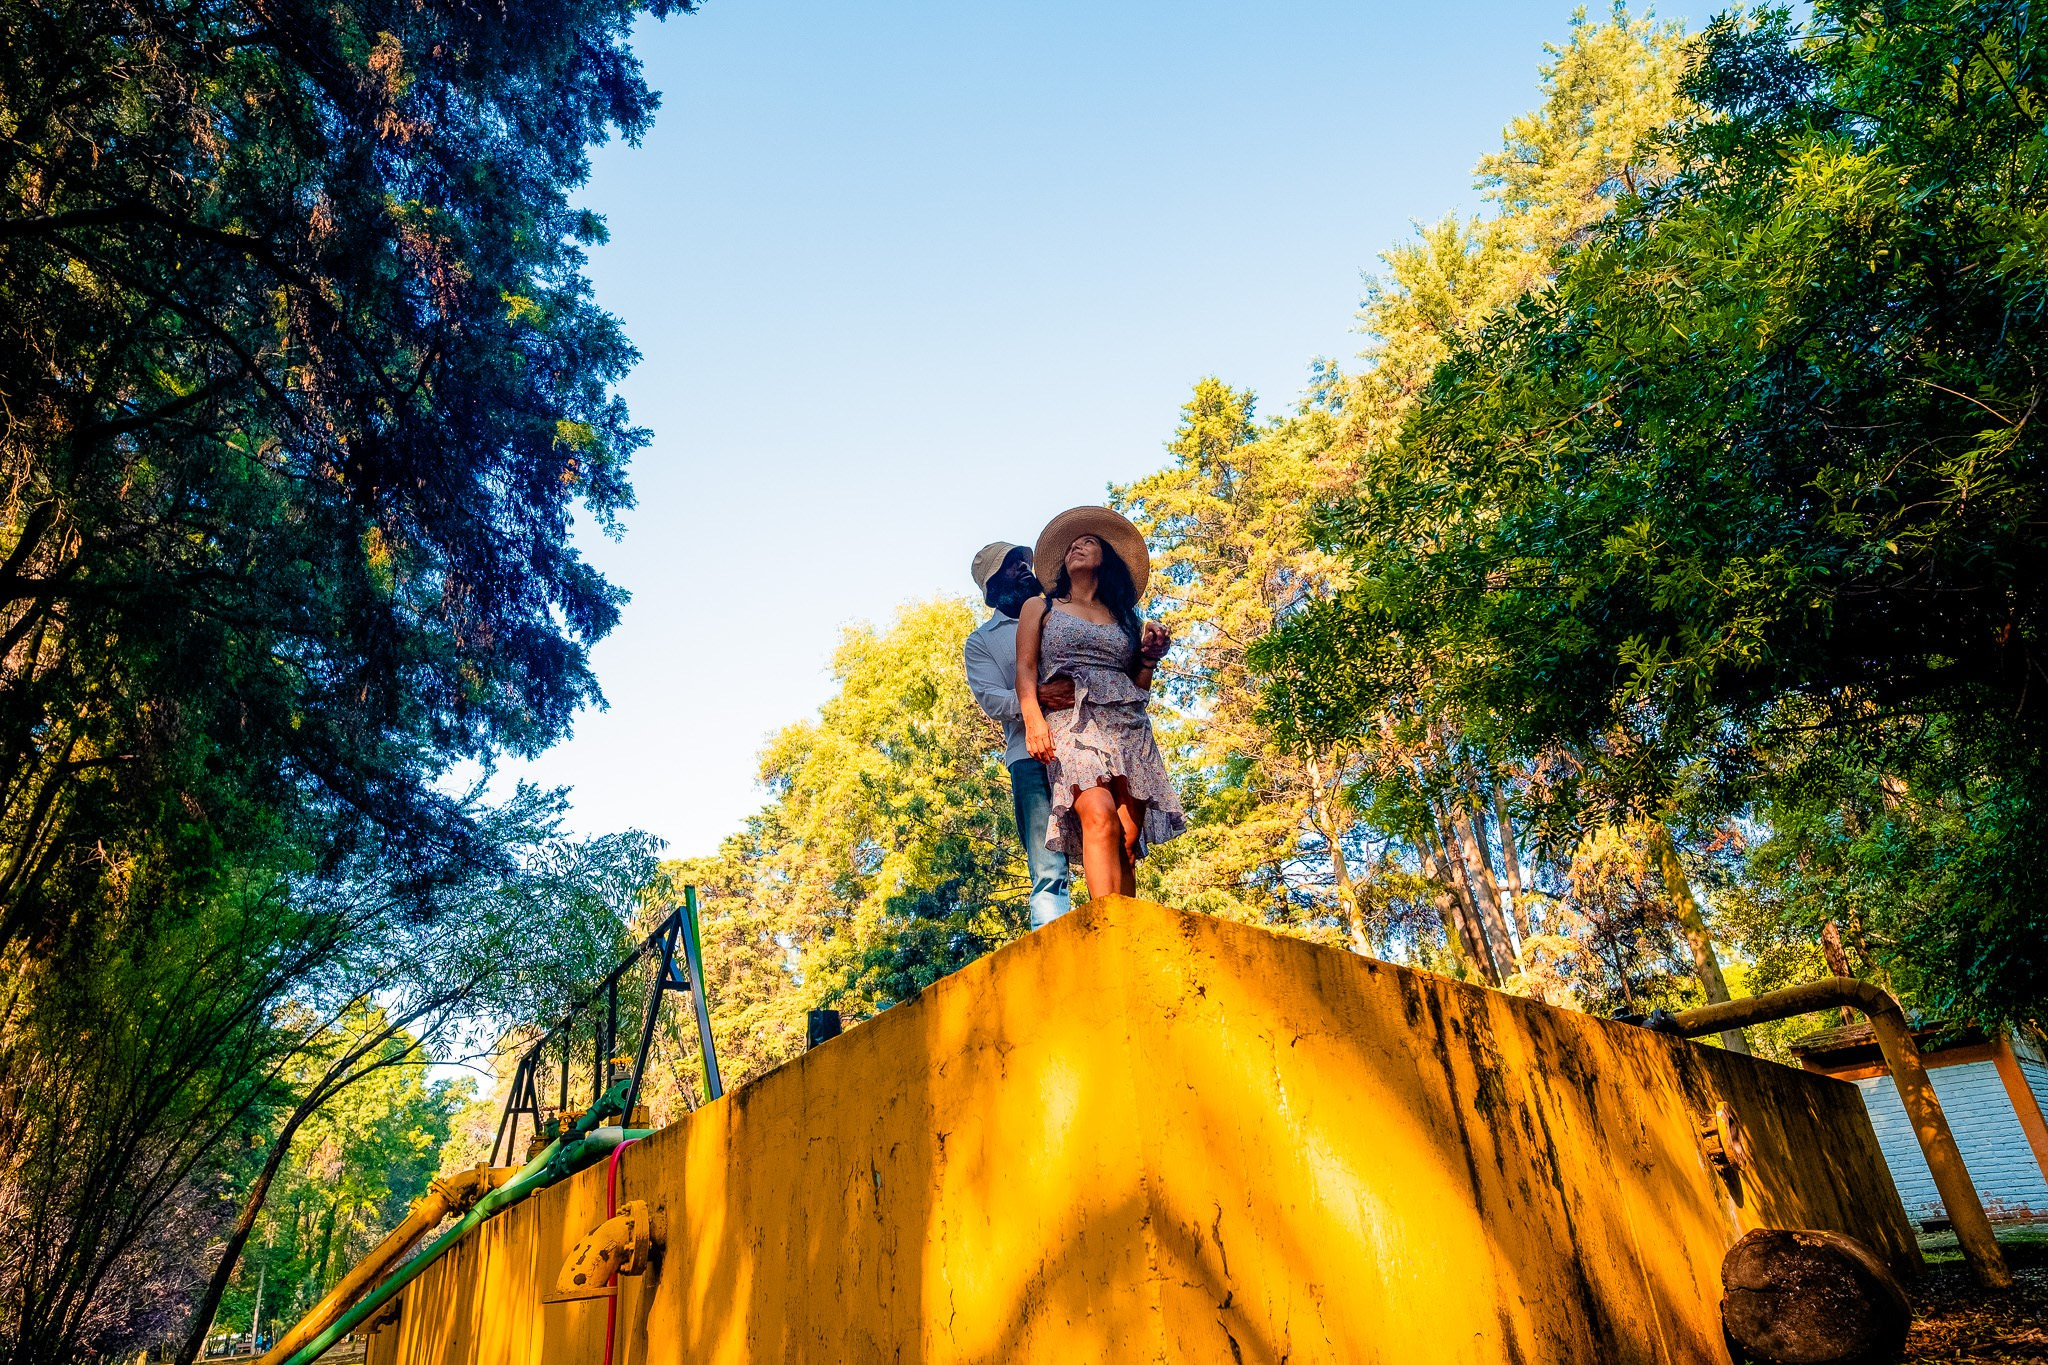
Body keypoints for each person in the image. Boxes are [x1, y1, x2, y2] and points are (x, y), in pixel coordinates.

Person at [1016, 506, 1184, 899]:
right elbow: (1024, 670)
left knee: (1127, 839)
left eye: (1088, 542)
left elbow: (1138, 685)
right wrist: (1034, 720)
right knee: (1099, 816)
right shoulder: (1040, 607)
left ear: (1106, 558)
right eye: (1071, 544)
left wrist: (1149, 656)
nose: (1077, 546)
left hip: (1127, 728)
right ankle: (1104, 928)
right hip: (1070, 723)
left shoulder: (1125, 617)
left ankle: (1127, 938)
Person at [965, 541, 1077, 927]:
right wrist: (1040, 695)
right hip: (1029, 759)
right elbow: (992, 700)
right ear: (993, 587)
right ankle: (1055, 955)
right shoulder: (982, 641)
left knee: (1106, 840)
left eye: (1024, 562)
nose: (1024, 569)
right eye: (1012, 566)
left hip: (1086, 742)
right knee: (1049, 870)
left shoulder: (1060, 613)